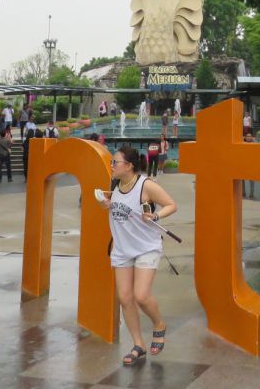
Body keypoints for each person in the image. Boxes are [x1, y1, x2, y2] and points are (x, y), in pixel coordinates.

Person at [99, 145, 177, 366]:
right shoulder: (115, 185)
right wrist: (108, 204)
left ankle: (159, 324)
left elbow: (172, 204)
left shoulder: (146, 185)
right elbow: (119, 209)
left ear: (129, 166)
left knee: (141, 295)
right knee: (125, 298)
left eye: (115, 162)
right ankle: (138, 344)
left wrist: (156, 216)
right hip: (123, 249)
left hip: (146, 247)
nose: (111, 165)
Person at [243, 133, 256, 198]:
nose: (248, 137)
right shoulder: (242, 144)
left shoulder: (255, 145)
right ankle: (243, 193)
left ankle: (251, 194)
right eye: (247, 136)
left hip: (252, 165)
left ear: (252, 137)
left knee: (252, 180)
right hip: (243, 164)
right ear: (245, 137)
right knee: (242, 180)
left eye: (250, 136)